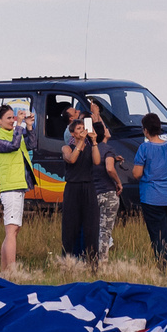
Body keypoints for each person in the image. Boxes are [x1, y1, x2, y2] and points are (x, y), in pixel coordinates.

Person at [0, 103, 36, 273]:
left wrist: (28, 126)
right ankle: (11, 270)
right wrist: (20, 126)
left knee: (13, 231)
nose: (13, 120)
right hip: (10, 188)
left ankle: (5, 270)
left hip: (18, 187)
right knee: (11, 231)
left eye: (13, 117)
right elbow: (13, 146)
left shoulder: (15, 135)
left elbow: (31, 144)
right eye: (9, 118)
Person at [134, 113, 167, 264]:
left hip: (152, 198)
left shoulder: (144, 148)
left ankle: (164, 267)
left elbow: (137, 173)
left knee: (158, 235)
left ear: (145, 130)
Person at [58, 103, 101, 264]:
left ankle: (91, 260)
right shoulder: (67, 148)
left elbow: (97, 161)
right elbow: (72, 159)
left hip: (89, 187)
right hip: (73, 188)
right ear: (72, 133)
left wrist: (94, 142)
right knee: (71, 225)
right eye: (78, 129)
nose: (82, 131)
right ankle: (69, 260)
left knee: (91, 225)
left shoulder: (90, 147)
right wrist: (81, 142)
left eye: (83, 128)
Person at [86, 98, 123, 263]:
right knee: (105, 230)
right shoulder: (108, 149)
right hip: (107, 192)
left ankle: (89, 258)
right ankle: (102, 262)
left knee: (92, 228)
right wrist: (118, 182)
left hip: (92, 192)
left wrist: (96, 115)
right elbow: (109, 168)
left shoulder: (87, 149)